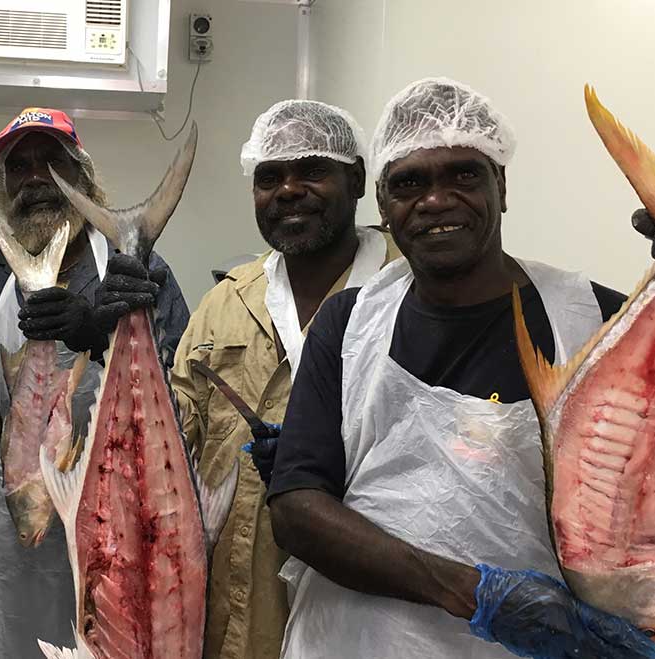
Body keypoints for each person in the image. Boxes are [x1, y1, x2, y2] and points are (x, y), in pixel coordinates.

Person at [262, 78, 655, 658]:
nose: (436, 200)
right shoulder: (348, 322)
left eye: (465, 174)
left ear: (502, 185)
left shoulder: (594, 319)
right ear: (384, 206)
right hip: (355, 643)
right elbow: (297, 508)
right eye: (409, 183)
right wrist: (480, 597)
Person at [0, 107, 190, 659]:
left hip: (119, 518)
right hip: (14, 530)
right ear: (4, 188)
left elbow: (182, 407)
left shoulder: (133, 266)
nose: (36, 177)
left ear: (83, 177)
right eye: (19, 167)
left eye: (53, 161)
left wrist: (101, 336)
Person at [169, 99, 399, 659]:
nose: (288, 190)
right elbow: (175, 438)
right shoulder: (224, 302)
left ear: (358, 180)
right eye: (269, 177)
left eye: (312, 170)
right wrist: (110, 344)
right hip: (234, 612)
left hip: (371, 607)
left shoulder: (412, 288)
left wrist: (324, 467)